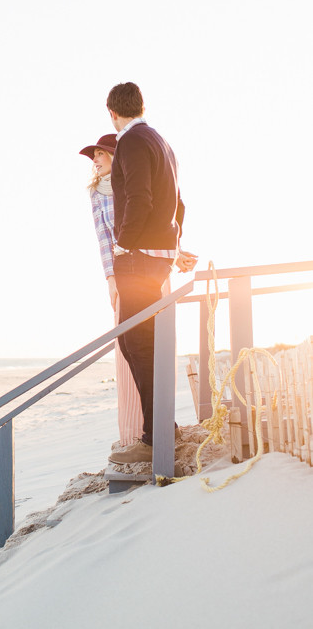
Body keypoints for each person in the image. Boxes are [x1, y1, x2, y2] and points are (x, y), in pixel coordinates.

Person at [105, 82, 196, 465]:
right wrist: (172, 245)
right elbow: (179, 203)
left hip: (139, 255)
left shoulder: (129, 141)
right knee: (145, 343)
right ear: (140, 105)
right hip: (158, 253)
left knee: (135, 343)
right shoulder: (162, 142)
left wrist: (124, 244)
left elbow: (138, 196)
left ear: (112, 112)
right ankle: (163, 428)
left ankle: (153, 437)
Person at [79, 134, 144, 446]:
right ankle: (132, 430)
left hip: (146, 266)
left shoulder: (132, 184)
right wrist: (110, 279)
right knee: (126, 345)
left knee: (147, 344)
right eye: (93, 156)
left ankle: (156, 424)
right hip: (121, 272)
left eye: (100, 154)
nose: (95, 159)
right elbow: (103, 238)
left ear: (115, 156)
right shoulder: (95, 194)